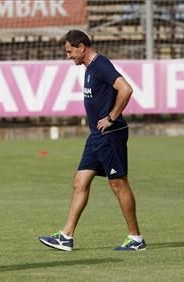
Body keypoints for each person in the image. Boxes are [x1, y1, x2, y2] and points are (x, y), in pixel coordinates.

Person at [38, 30, 146, 251]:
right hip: (97, 136)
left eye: (70, 51)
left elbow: (126, 89)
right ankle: (66, 236)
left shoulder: (100, 65)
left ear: (81, 47)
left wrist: (110, 117)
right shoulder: (89, 68)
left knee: (118, 184)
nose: (68, 56)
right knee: (80, 181)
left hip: (110, 134)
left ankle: (136, 239)